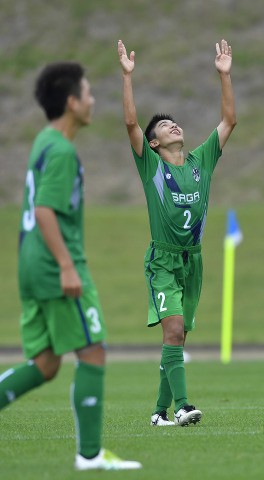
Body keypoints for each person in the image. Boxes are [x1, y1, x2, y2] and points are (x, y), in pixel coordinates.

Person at [0, 62, 141, 471]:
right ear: (71, 102)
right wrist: (66, 265)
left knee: (45, 363)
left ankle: (90, 454)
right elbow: (44, 210)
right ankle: (91, 456)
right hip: (51, 263)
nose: (94, 100)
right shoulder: (61, 150)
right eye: (88, 92)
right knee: (93, 350)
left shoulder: (43, 140)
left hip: (28, 262)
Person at [117, 38, 237, 427]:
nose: (173, 125)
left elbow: (229, 121)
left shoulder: (202, 159)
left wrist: (225, 75)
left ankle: (158, 412)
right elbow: (131, 123)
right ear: (154, 143)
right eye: (164, 126)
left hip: (193, 260)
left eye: (173, 122)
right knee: (172, 328)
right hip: (164, 260)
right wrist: (127, 77)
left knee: (178, 335)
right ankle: (184, 405)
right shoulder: (151, 165)